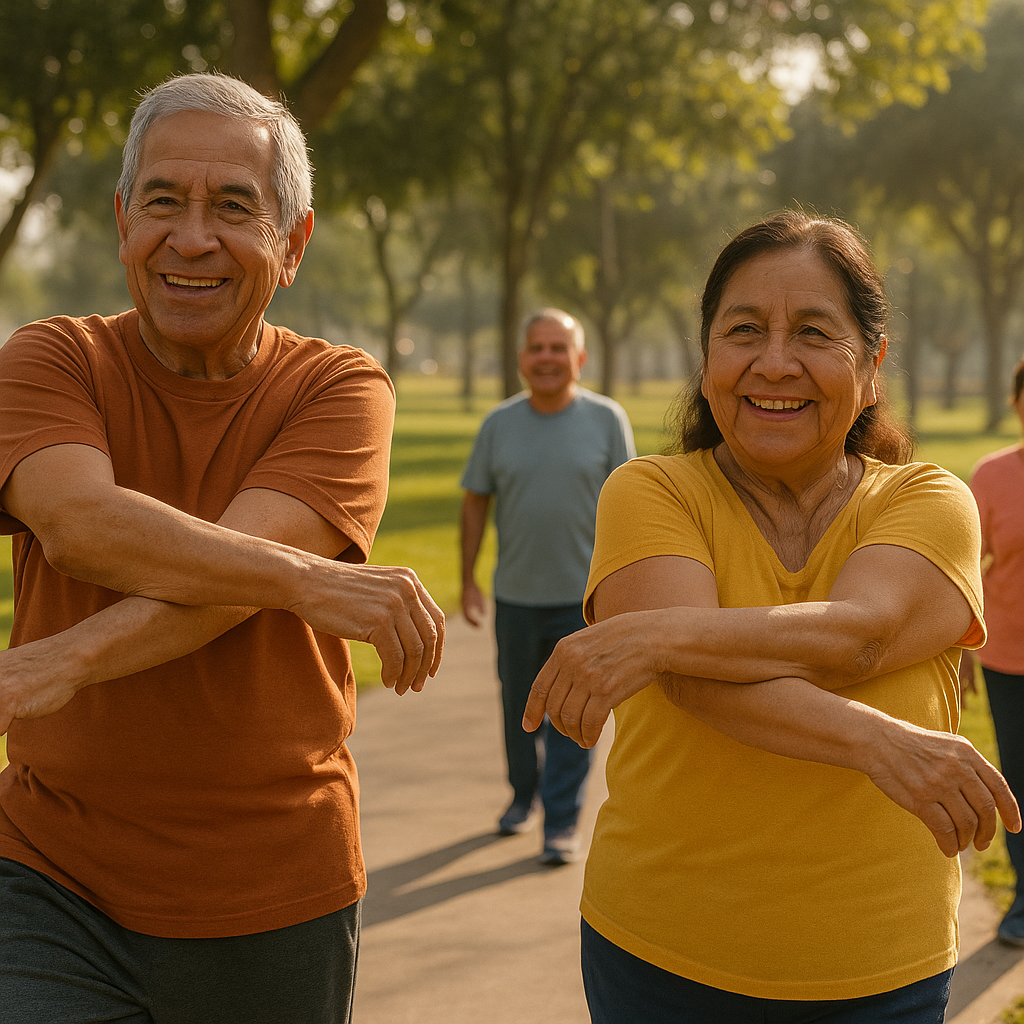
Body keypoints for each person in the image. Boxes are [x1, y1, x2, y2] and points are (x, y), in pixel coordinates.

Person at [0, 73, 444, 1024]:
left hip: (279, 888)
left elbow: (226, 577)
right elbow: (80, 528)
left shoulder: (341, 387)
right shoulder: (52, 359)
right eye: (163, 200)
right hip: (49, 878)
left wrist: (62, 661)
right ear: (123, 221)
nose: (191, 237)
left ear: (293, 243)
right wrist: (310, 584)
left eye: (234, 207)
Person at [524, 212, 1021, 1022]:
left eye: (815, 333)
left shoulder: (928, 499)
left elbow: (858, 634)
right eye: (744, 330)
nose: (775, 363)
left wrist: (649, 635)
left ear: (872, 364)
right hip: (661, 954)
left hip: (879, 965)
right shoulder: (651, 491)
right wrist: (881, 741)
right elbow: (696, 685)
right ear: (709, 356)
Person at [460, 308, 635, 865]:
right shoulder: (498, 425)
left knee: (571, 716)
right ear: (521, 360)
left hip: (583, 602)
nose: (547, 358)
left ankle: (560, 821)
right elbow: (475, 502)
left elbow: (631, 507)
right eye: (537, 348)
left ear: (579, 359)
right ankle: (522, 796)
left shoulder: (608, 420)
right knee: (519, 707)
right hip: (516, 599)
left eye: (559, 348)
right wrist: (466, 578)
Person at [960, 357, 1024, 947]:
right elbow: (968, 571)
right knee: (1019, 779)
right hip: (1008, 657)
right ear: (1016, 402)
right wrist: (962, 652)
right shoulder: (993, 474)